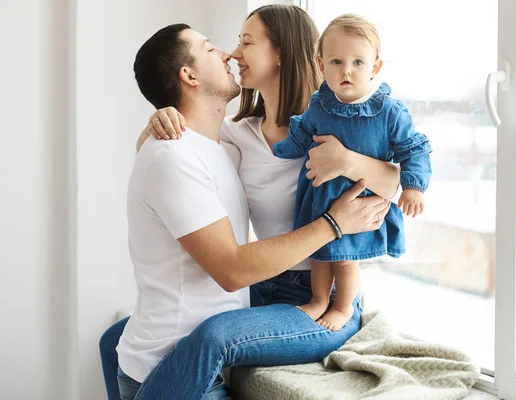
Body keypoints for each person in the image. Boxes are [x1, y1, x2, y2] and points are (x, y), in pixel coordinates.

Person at [101, 5, 401, 399]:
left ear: (281, 53)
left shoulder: (331, 125)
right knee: (114, 340)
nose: (233, 53)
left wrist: (346, 160)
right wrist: (156, 121)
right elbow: (175, 157)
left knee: (214, 336)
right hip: (263, 284)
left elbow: (395, 182)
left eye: (246, 42)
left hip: (324, 293)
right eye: (228, 45)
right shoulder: (236, 134)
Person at [272, 14, 432, 331]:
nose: (346, 70)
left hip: (358, 202)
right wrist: (281, 149)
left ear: (375, 67)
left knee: (345, 257)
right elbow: (303, 134)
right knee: (319, 254)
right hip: (321, 198)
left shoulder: (388, 110)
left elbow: (413, 148)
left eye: (358, 62)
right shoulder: (319, 104)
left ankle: (344, 306)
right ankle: (319, 300)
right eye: (336, 61)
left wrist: (414, 187)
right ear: (321, 65)